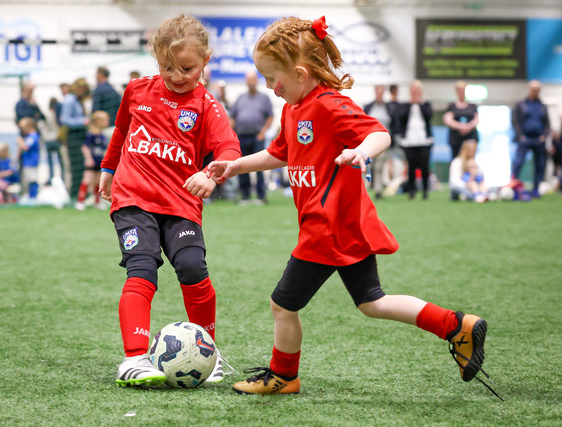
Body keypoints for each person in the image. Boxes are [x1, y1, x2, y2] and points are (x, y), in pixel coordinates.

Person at [207, 16, 498, 399]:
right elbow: (280, 153)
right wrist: (235, 166)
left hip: (326, 229)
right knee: (372, 302)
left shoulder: (328, 104)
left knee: (282, 305)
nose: (269, 87)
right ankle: (456, 325)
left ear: (300, 73)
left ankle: (283, 376)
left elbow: (379, 133)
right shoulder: (294, 109)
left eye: (273, 79)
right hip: (344, 228)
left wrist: (361, 151)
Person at [98, 14, 241, 388]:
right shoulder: (136, 91)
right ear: (156, 60)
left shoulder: (207, 106)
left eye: (187, 68)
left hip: (181, 203)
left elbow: (228, 148)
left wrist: (211, 173)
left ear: (206, 60)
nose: (177, 76)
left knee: (192, 267)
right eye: (167, 67)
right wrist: (108, 168)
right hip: (133, 197)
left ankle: (209, 354)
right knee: (142, 267)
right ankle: (134, 359)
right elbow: (121, 131)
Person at [228, 70, 274, 205]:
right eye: (248, 79)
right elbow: (233, 117)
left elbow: (270, 117)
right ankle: (245, 196)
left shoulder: (264, 98)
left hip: (257, 137)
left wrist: (263, 132)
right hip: (241, 137)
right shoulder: (240, 98)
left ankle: (261, 196)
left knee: (260, 166)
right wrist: (230, 133)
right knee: (241, 166)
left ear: (256, 81)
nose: (250, 82)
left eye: (252, 79)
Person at [511, 80, 550, 198]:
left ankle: (536, 190)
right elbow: (515, 121)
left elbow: (547, 124)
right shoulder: (521, 104)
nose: (535, 91)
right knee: (518, 163)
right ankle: (514, 189)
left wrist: (544, 136)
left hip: (538, 140)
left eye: (537, 90)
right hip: (525, 139)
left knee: (540, 165)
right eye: (533, 89)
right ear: (529, 89)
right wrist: (520, 135)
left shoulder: (542, 106)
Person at [398, 80, 434, 200]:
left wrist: (420, 104)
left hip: (424, 140)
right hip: (409, 141)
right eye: (413, 90)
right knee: (411, 166)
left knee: (424, 166)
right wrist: (412, 104)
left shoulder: (426, 105)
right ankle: (411, 190)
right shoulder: (405, 105)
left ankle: (425, 190)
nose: (415, 92)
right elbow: (401, 118)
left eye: (417, 90)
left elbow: (429, 116)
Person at [363, 84, 399, 199]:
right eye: (378, 92)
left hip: (383, 142)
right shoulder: (368, 107)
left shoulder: (388, 108)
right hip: (369, 141)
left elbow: (394, 124)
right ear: (375, 92)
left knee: (379, 167)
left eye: (381, 92)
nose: (379, 94)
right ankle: (364, 190)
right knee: (368, 166)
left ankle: (378, 191)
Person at [60, 78, 90, 200]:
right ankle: (74, 193)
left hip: (80, 134)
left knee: (81, 164)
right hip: (73, 135)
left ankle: (81, 193)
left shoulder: (78, 100)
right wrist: (82, 121)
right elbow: (64, 119)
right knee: (76, 165)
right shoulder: (69, 100)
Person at [75, 110, 110, 211]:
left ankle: (97, 202)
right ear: (98, 121)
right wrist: (88, 158)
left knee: (98, 182)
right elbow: (85, 147)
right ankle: (80, 201)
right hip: (91, 163)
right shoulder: (91, 135)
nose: (107, 122)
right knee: (87, 180)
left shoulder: (102, 135)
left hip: (99, 162)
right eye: (105, 120)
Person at [443, 81, 479, 159]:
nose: (461, 92)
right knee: (456, 158)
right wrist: (460, 126)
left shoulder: (472, 106)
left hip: (470, 137)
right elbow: (448, 120)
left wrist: (468, 126)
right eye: (460, 90)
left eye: (463, 90)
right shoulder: (451, 106)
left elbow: (477, 119)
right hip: (456, 139)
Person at [17, 117, 40, 204]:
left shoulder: (33, 136)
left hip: (32, 162)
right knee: (28, 180)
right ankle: (29, 197)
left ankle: (33, 198)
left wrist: (20, 142)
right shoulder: (29, 136)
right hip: (27, 162)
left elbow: (26, 147)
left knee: (32, 179)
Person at [42, 98, 65, 185]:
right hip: (56, 139)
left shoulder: (46, 114)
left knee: (50, 162)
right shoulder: (58, 114)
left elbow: (43, 127)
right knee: (61, 162)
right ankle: (62, 179)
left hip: (48, 140)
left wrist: (45, 137)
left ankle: (51, 179)